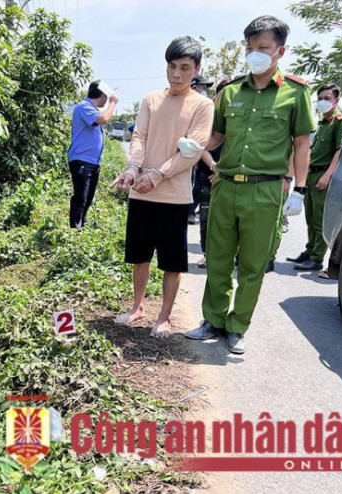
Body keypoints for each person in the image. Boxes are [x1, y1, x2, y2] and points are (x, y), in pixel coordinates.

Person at [184, 15, 315, 355]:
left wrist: (299, 189)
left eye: (263, 47)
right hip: (225, 186)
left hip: (265, 190)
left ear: (279, 51)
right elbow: (216, 136)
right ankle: (212, 320)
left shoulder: (296, 94)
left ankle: (238, 326)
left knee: (253, 265)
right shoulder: (229, 92)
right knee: (218, 259)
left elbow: (302, 143)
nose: (254, 53)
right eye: (250, 47)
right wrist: (195, 146)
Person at [110, 36, 214, 339]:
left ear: (196, 69)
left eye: (184, 68)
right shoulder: (151, 99)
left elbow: (192, 151)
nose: (177, 74)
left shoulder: (202, 106)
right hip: (141, 193)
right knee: (139, 254)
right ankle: (138, 306)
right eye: (171, 67)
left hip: (175, 196)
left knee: (171, 260)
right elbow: (139, 136)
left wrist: (157, 175)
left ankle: (165, 316)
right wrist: (132, 169)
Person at [288, 83, 342, 273]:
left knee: (320, 219)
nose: (323, 102)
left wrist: (327, 175)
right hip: (311, 174)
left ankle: (317, 258)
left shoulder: (340, 122)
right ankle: (309, 250)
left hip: (324, 175)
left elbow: (340, 151)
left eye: (327, 98)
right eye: (321, 98)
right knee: (310, 216)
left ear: (336, 100)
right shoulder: (322, 123)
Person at [67, 81, 118, 229]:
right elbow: (104, 119)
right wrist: (113, 103)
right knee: (80, 197)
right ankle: (74, 230)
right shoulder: (84, 107)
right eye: (106, 96)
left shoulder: (92, 109)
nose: (107, 99)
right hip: (81, 160)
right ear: (101, 94)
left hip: (92, 162)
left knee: (88, 198)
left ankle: (80, 227)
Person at [193, 78, 230, 269]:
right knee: (206, 217)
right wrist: (215, 167)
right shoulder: (208, 113)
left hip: (230, 176)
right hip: (207, 175)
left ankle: (229, 254)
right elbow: (200, 144)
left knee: (228, 219)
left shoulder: (241, 115)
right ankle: (208, 254)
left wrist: (223, 171)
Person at [188, 75, 216, 225]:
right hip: (186, 157)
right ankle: (188, 212)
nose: (205, 91)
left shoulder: (206, 108)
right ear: (193, 87)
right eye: (203, 87)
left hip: (199, 157)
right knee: (195, 187)